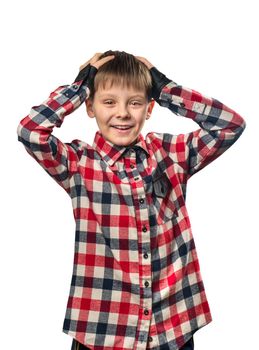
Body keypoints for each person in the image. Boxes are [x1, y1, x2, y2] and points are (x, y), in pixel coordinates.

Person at [17, 50, 246, 350]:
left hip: (171, 328)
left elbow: (230, 125)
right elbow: (31, 131)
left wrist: (165, 89)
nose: (122, 113)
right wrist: (80, 86)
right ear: (90, 106)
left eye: (135, 102)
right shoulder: (78, 164)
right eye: (108, 101)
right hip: (102, 331)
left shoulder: (171, 154)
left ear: (149, 108)